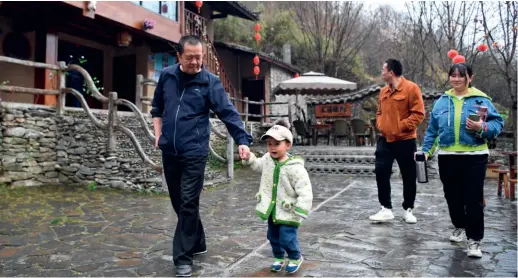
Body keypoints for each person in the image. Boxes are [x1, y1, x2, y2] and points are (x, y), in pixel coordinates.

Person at [151, 35, 253, 277]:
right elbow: (157, 108)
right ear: (179, 56)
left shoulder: (210, 82)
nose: (196, 62)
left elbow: (228, 113)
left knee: (188, 201)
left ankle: (183, 257)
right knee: (179, 202)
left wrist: (242, 140)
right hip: (170, 151)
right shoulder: (166, 75)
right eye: (190, 58)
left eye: (200, 57)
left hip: (195, 151)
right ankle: (198, 241)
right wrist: (158, 135)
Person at [420, 63, 504, 258]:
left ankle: (474, 240)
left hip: (475, 156)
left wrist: (481, 127)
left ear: (470, 77)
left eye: (460, 75)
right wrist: (426, 152)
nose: (456, 79)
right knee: (452, 197)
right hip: (447, 157)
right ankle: (459, 225)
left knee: (473, 199)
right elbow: (432, 131)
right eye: (453, 75)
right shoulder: (442, 101)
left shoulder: (481, 100)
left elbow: (497, 123)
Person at [242, 121, 313, 274]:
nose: (272, 147)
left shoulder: (295, 167)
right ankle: (278, 257)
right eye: (269, 144)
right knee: (273, 236)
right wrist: (249, 158)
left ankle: (295, 256)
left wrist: (302, 207)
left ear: (288, 145)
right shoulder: (268, 159)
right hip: (272, 209)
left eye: (277, 143)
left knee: (287, 238)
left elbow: (305, 189)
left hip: (289, 210)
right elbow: (257, 165)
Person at [370, 59, 425, 223]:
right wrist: (381, 125)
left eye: (383, 70)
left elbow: (418, 114)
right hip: (385, 139)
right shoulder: (383, 92)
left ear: (391, 72)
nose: (381, 73)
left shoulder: (411, 88)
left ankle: (408, 209)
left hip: (405, 139)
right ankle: (385, 208)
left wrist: (401, 126)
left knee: (408, 175)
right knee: (381, 170)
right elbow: (379, 112)